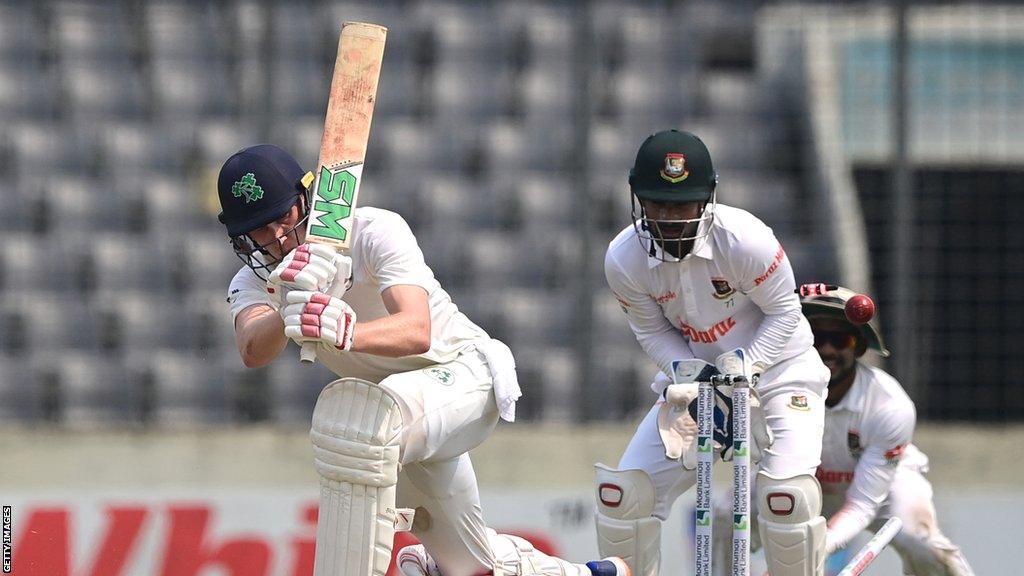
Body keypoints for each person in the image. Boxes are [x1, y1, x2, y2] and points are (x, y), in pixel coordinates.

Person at [217, 144, 626, 576]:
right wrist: (289, 301)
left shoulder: (373, 231)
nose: (278, 237)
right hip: (400, 426)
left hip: (464, 375)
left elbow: (417, 329)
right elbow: (251, 349)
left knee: (357, 424)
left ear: (308, 199)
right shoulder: (255, 282)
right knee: (470, 569)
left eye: (284, 217)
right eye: (260, 231)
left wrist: (349, 332)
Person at [595, 130, 831, 576]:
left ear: (708, 199)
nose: (670, 218)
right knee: (622, 497)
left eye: (683, 205)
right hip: (698, 385)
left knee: (787, 501)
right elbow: (650, 331)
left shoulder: (745, 241)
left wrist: (748, 365)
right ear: (638, 201)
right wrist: (691, 374)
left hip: (780, 374)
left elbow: (785, 312)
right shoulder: (623, 259)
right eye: (657, 204)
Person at [799, 285, 975, 575]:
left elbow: (863, 504)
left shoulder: (890, 405)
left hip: (884, 488)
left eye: (839, 339)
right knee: (724, 512)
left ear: (857, 346)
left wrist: (824, 544)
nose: (827, 349)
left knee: (924, 544)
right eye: (817, 338)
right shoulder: (778, 391)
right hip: (807, 487)